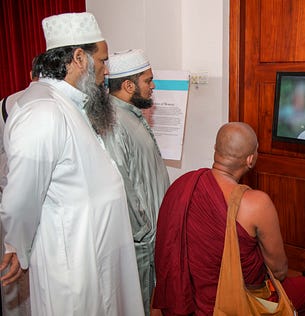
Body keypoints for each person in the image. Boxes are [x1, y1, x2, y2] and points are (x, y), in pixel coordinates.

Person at [0, 12, 144, 316]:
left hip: (96, 255)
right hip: (72, 265)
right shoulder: (43, 111)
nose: (107, 69)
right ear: (79, 58)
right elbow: (21, 197)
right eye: (103, 60)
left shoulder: (70, 103)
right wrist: (16, 246)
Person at [153, 122, 305, 315]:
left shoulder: (182, 185)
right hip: (235, 303)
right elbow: (279, 271)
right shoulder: (256, 203)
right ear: (250, 159)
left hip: (188, 298)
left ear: (215, 151)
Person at [103, 49, 170, 316]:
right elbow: (120, 181)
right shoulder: (113, 122)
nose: (153, 86)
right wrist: (143, 230)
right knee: (138, 305)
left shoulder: (130, 114)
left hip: (150, 234)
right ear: (129, 85)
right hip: (139, 240)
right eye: (148, 80)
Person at [0, 54, 42, 316]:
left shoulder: (6, 104)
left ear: (30, 74)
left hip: (9, 203)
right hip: (36, 206)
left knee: (13, 275)